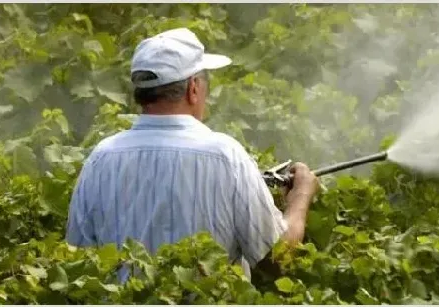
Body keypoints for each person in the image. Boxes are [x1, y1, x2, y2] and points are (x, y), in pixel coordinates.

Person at [65, 28, 321, 280]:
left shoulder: (100, 159)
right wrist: (300, 196)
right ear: (193, 88)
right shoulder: (226, 156)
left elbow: (77, 263)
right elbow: (277, 260)